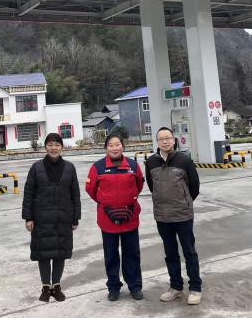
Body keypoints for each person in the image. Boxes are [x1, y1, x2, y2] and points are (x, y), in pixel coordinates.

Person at [145, 126, 202, 305]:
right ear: (157, 142)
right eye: (161, 139)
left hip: (183, 215)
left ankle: (195, 288)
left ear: (173, 139)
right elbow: (152, 186)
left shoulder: (184, 160)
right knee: (170, 253)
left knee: (189, 252)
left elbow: (194, 187)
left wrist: (183, 202)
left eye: (168, 138)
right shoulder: (151, 162)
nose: (165, 141)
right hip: (162, 216)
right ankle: (176, 287)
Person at [85, 133, 145, 301]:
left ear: (122, 146)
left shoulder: (133, 166)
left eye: (117, 144)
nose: (114, 148)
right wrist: (106, 202)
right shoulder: (97, 167)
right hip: (107, 220)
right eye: (110, 145)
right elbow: (91, 189)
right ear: (106, 148)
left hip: (130, 218)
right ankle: (113, 287)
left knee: (132, 254)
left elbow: (139, 185)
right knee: (111, 255)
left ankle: (135, 286)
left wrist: (128, 201)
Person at [22, 133, 81, 302]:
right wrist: (28, 217)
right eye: (50, 144)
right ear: (45, 147)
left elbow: (75, 194)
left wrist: (75, 218)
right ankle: (46, 287)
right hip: (41, 219)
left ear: (62, 147)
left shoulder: (70, 168)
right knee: (43, 254)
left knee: (60, 254)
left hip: (63, 218)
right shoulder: (36, 168)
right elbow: (28, 193)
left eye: (57, 144)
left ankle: (56, 286)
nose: (53, 148)